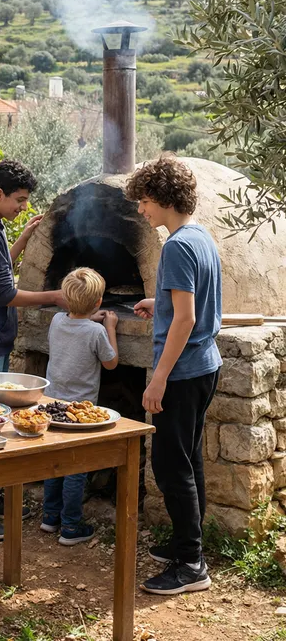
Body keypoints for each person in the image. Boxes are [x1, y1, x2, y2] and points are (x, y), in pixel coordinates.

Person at [0, 159, 66, 540]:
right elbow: (4, 292)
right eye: (19, 200)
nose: (24, 207)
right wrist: (58, 297)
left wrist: (21, 239)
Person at [127, 155, 221, 595]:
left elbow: (185, 319)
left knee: (168, 464)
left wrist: (158, 377)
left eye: (144, 201)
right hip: (206, 366)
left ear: (162, 198)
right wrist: (156, 305)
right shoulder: (200, 237)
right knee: (189, 459)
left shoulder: (178, 246)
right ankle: (189, 543)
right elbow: (184, 308)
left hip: (182, 373)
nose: (142, 211)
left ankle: (191, 566)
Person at [40, 267, 118, 545]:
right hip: (80, 412)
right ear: (98, 303)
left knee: (55, 461)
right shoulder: (97, 331)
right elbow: (111, 362)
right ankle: (71, 527)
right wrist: (109, 326)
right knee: (76, 467)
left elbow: (74, 329)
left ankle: (50, 517)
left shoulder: (57, 321)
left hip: (51, 405)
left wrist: (89, 319)